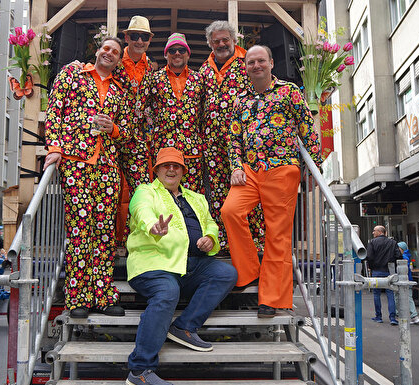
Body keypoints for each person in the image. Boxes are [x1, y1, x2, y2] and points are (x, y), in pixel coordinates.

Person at [125, 147, 237, 385]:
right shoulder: (145, 191)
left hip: (190, 263)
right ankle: (140, 370)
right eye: (166, 165)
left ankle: (184, 327)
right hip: (153, 263)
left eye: (177, 166)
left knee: (225, 273)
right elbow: (141, 211)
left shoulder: (197, 198)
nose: (171, 169)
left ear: (183, 171)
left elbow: (210, 223)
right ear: (156, 170)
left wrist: (209, 237)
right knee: (167, 292)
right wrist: (153, 227)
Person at [220, 45, 322, 317]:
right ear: (246, 67)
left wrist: (313, 171)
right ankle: (249, 271)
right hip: (250, 171)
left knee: (277, 234)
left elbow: (307, 131)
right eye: (250, 62)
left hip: (281, 169)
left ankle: (273, 300)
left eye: (260, 61)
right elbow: (233, 138)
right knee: (230, 211)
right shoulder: (240, 99)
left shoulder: (289, 92)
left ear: (271, 63)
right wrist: (235, 167)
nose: (256, 66)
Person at [44, 36, 131, 318]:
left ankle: (104, 296)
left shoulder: (119, 90)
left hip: (106, 165)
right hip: (76, 161)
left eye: (115, 52)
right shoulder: (72, 73)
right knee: (81, 230)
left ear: (119, 59)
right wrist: (55, 148)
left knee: (105, 232)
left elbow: (127, 132)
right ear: (97, 50)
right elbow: (55, 112)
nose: (109, 53)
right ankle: (78, 298)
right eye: (106, 48)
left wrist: (113, 129)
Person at [199, 20, 265, 252]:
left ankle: (255, 241)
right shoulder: (204, 69)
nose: (221, 44)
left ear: (233, 40)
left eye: (225, 39)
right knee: (218, 192)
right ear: (210, 43)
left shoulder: (247, 62)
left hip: (242, 140)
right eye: (216, 41)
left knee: (246, 189)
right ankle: (224, 240)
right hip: (212, 142)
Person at [137, 33, 205, 192]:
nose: (177, 53)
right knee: (164, 196)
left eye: (181, 50)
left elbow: (205, 113)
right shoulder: (153, 78)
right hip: (163, 150)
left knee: (191, 197)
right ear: (165, 54)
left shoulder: (200, 79)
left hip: (192, 150)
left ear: (188, 54)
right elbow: (140, 110)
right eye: (172, 50)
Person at [114, 16, 154, 244]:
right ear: (126, 37)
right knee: (112, 191)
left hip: (138, 139)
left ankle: (136, 239)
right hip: (113, 136)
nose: (139, 40)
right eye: (135, 36)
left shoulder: (152, 67)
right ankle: (112, 240)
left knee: (140, 191)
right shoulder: (115, 61)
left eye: (144, 37)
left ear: (149, 41)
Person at [366, 226, 401, 325]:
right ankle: (392, 318)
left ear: (380, 232)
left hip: (376, 271)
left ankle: (378, 316)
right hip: (389, 270)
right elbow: (398, 255)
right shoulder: (392, 242)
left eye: (374, 231)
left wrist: (371, 267)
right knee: (390, 294)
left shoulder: (372, 242)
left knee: (376, 294)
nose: (373, 232)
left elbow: (369, 256)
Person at [395, 241, 419, 324]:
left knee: (397, 297)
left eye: (397, 248)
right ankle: (414, 316)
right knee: (409, 297)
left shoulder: (403, 256)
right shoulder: (408, 255)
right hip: (408, 279)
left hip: (402, 279)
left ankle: (399, 315)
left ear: (401, 249)